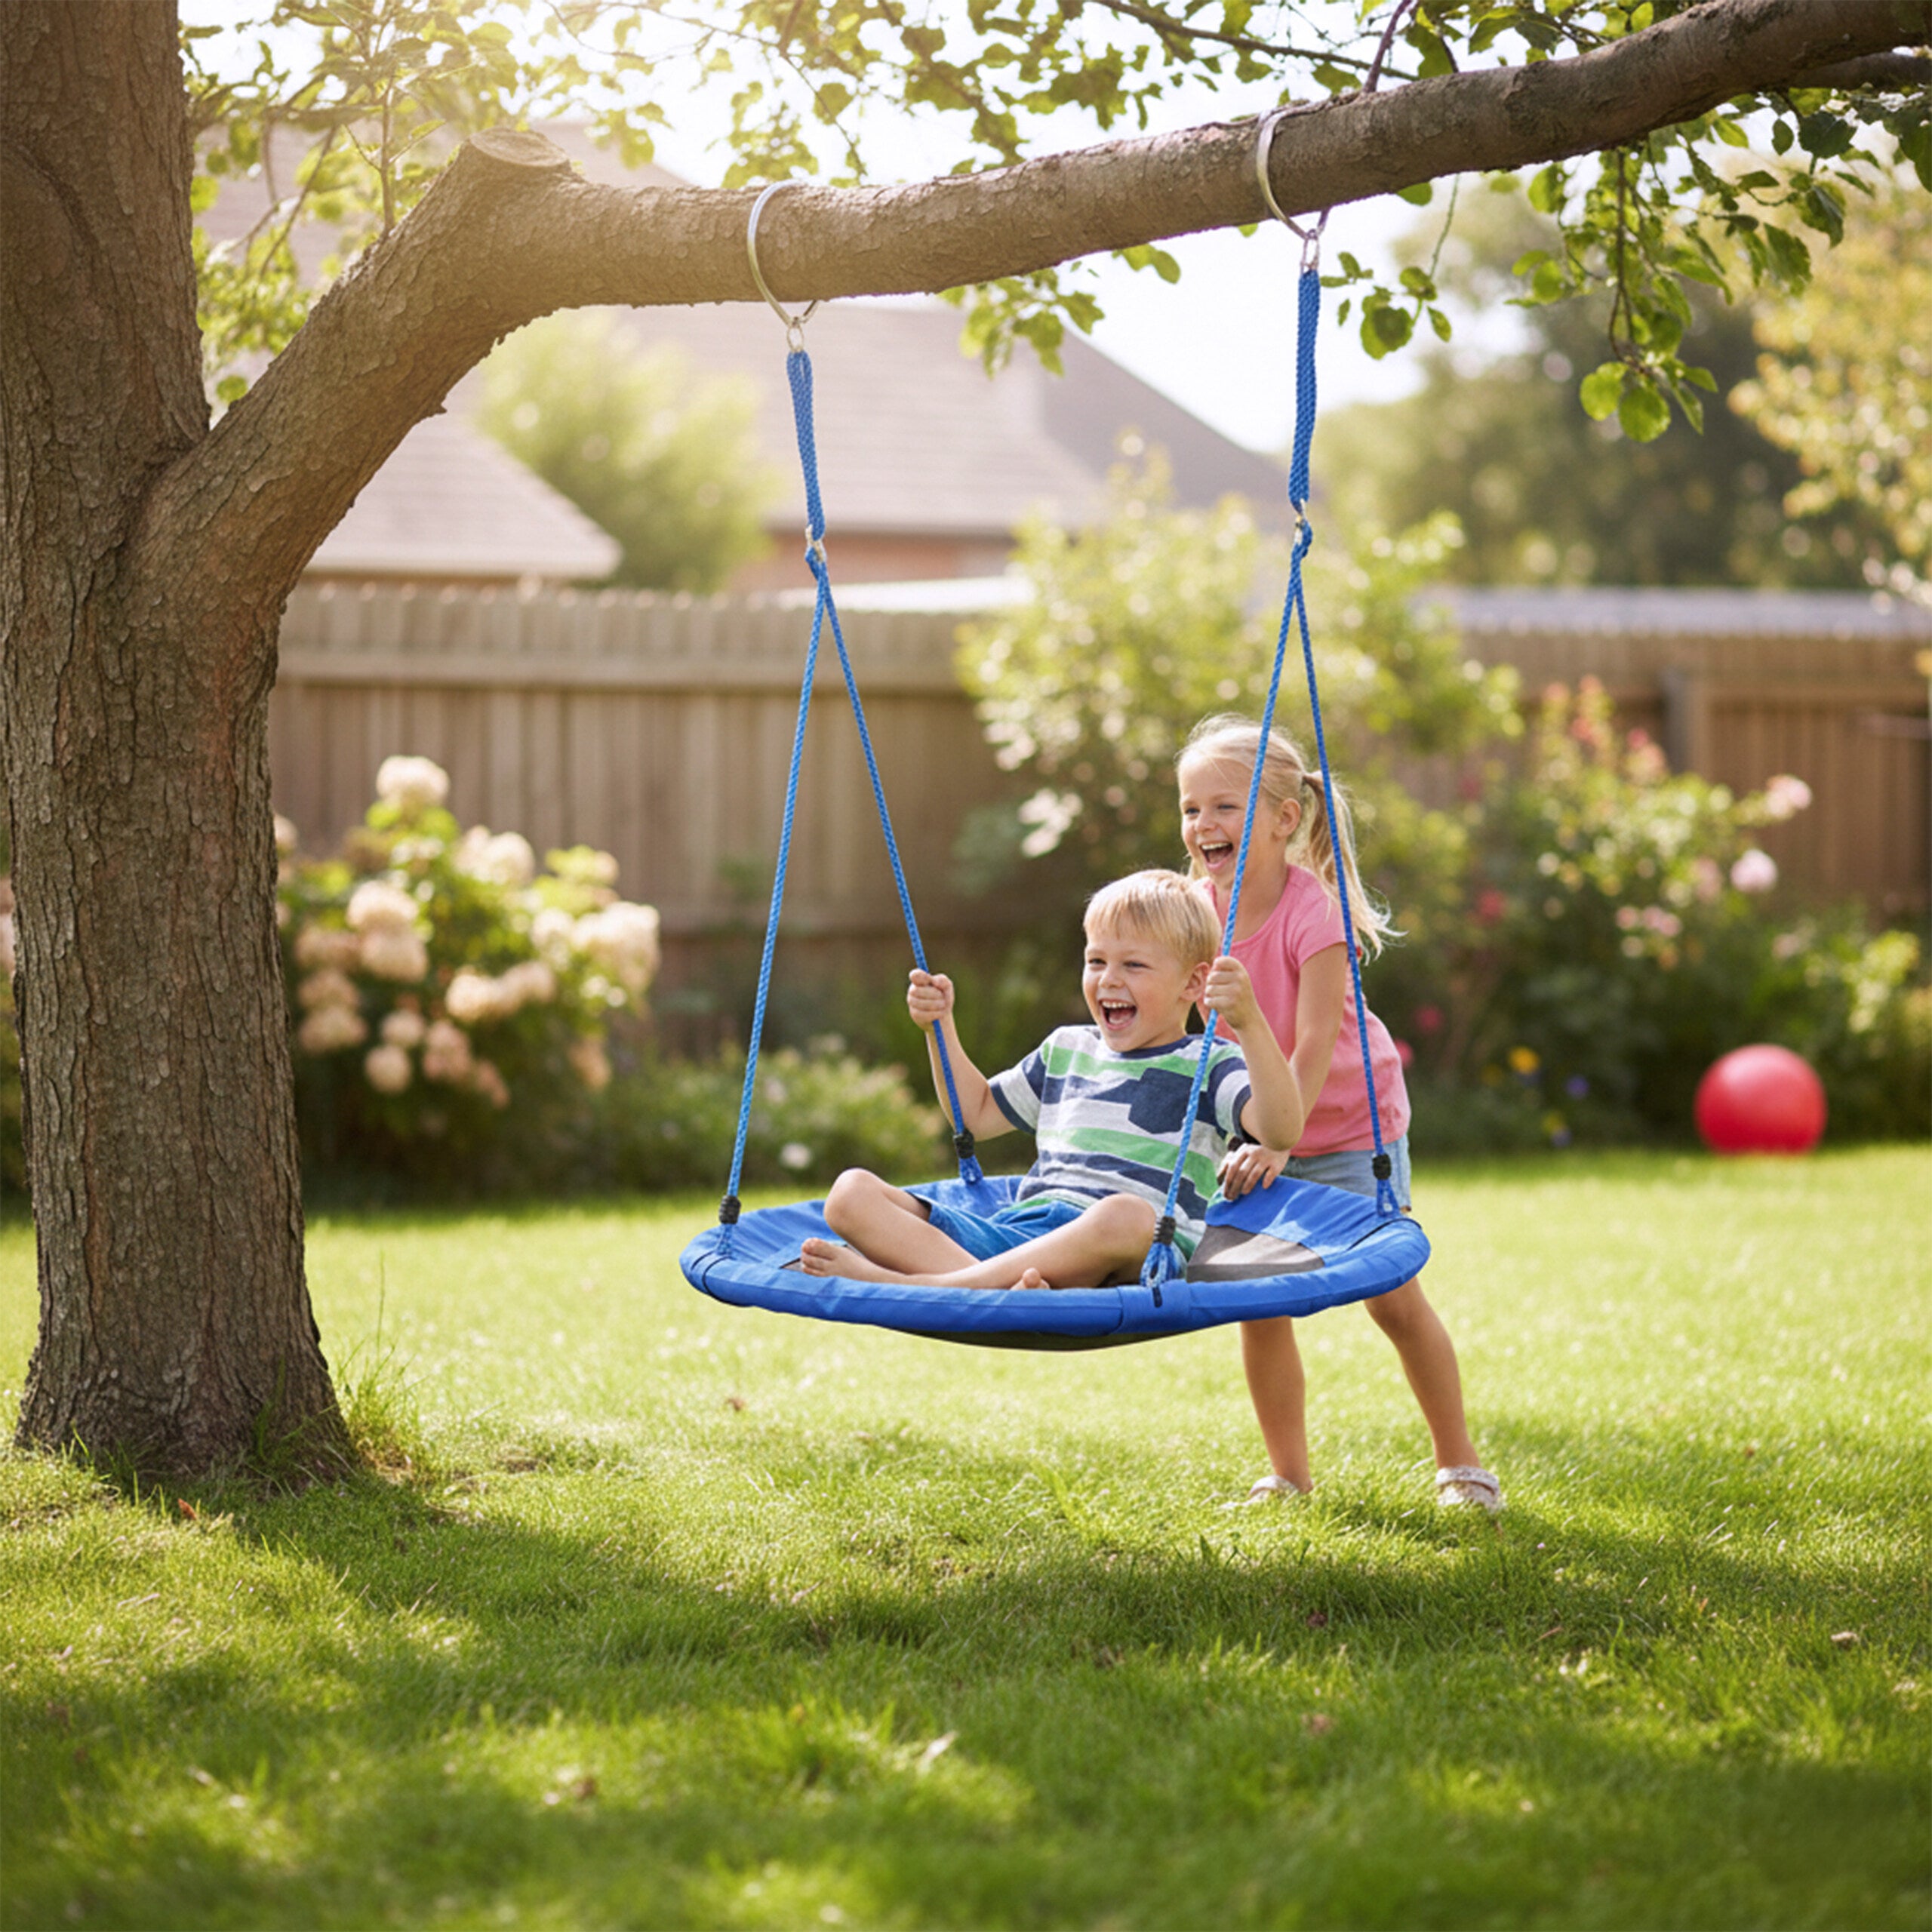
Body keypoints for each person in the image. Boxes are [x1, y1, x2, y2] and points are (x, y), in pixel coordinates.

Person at [1176, 714, 1503, 1513]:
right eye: (1190, 808)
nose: (1203, 824)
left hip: (1352, 1125)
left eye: (1225, 806)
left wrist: (1277, 1142)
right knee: (1259, 1303)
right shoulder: (1193, 911)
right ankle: (1288, 1476)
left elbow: (1317, 1037)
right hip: (1259, 1133)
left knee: (1391, 1297)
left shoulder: (1311, 909)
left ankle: (1460, 1465)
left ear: (1284, 818)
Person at [798, 869, 1306, 1291]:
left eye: (1133, 965)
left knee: (1128, 1216)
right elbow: (974, 1114)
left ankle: (925, 1287)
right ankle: (990, 1287)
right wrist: (940, 1030)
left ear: (1193, 983)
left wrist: (1248, 1022)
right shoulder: (1067, 1048)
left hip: (1127, 1247)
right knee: (850, 1193)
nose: (1108, 979)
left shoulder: (1210, 1063)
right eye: (1096, 961)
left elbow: (1281, 1129)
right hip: (1022, 1242)